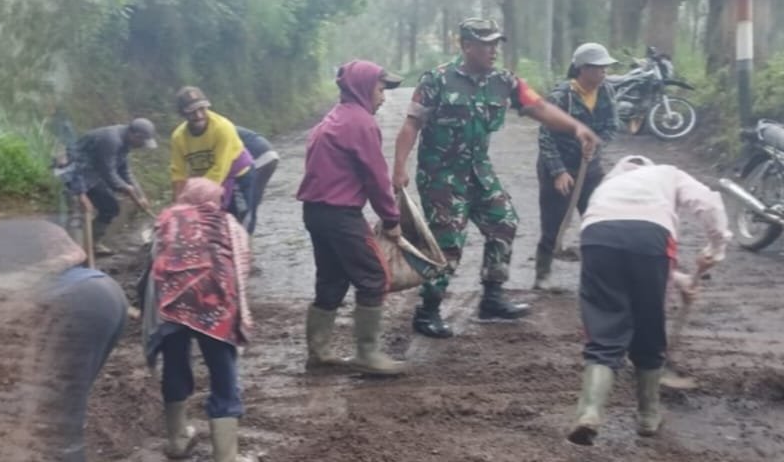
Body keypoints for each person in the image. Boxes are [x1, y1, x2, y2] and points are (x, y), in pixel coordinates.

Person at [392, 19, 604, 339]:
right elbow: (411, 125)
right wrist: (399, 167)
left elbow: (539, 107)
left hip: (478, 169)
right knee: (449, 242)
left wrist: (576, 128)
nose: (493, 50)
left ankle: (492, 297)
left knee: (503, 221)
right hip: (441, 174)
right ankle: (428, 311)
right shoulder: (436, 80)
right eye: (486, 44)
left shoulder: (504, 81)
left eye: (496, 44)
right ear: (466, 46)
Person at [566, 156, 730, 445]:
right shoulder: (668, 173)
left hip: (597, 236)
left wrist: (678, 279)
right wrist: (715, 249)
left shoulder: (608, 186)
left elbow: (622, 244)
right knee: (649, 324)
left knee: (604, 328)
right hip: (651, 239)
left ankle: (589, 412)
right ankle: (648, 417)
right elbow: (709, 203)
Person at [299, 61, 407, 376]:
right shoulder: (361, 123)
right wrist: (391, 219)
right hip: (340, 214)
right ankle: (367, 353)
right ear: (363, 87)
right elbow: (376, 177)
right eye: (380, 88)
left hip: (315, 212)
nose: (384, 97)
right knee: (374, 276)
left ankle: (319, 352)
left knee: (332, 279)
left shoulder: (332, 119)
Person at [142, 178, 252, 462]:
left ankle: (178, 441)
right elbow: (240, 268)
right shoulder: (229, 224)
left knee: (175, 366)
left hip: (172, 304)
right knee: (223, 373)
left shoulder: (166, 219)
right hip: (215, 306)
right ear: (216, 200)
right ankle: (226, 456)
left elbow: (153, 266)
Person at [34, 223, 129, 462]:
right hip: (107, 291)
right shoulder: (41, 229)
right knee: (72, 393)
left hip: (79, 302)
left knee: (64, 405)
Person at [534, 43, 621, 291]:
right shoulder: (562, 96)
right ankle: (542, 276)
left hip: (589, 167)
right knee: (554, 223)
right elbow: (545, 137)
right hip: (559, 167)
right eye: (597, 68)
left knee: (599, 220)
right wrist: (558, 171)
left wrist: (596, 143)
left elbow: (612, 125)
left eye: (605, 68)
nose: (603, 73)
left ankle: (598, 276)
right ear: (582, 69)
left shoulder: (606, 91)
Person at [62, 119, 157, 255]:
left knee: (110, 207)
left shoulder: (126, 143)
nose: (142, 146)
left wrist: (140, 196)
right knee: (78, 214)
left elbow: (124, 171)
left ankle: (92, 245)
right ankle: (69, 252)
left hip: (93, 175)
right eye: (142, 142)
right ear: (135, 135)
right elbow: (109, 173)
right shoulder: (111, 140)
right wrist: (126, 189)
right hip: (75, 174)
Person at [169, 87, 253, 220]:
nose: (199, 116)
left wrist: (193, 195)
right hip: (205, 179)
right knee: (208, 221)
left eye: (202, 109)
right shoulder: (178, 137)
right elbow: (178, 172)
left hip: (235, 177)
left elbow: (220, 169)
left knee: (238, 220)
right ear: (183, 114)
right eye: (192, 112)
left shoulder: (223, 128)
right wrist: (178, 202)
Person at [236, 127, 278, 238]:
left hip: (259, 158)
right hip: (269, 155)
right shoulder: (221, 126)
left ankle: (244, 237)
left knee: (250, 200)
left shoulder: (218, 130)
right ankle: (245, 234)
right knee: (253, 197)